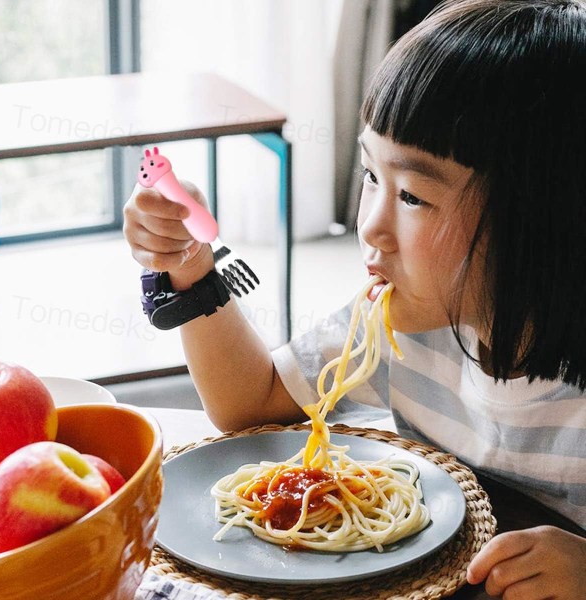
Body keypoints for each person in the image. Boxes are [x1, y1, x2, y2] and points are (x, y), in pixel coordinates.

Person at [124, 0, 586, 597]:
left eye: (413, 195)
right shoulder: (399, 320)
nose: (369, 225)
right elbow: (250, 401)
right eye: (372, 176)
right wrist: (190, 265)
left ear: (537, 221)